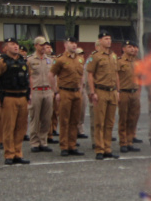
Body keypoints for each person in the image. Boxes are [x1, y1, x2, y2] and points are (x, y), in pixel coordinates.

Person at [0, 38, 31, 165]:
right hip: (8, 97)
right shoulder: (1, 62)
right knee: (9, 127)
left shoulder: (23, 61)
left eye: (16, 44)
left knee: (21, 127)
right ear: (5, 48)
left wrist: (30, 94)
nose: (15, 46)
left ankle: (18, 153)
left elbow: (29, 77)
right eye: (12, 44)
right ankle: (9, 154)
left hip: (22, 96)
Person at [85, 30, 120, 160]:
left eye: (109, 39)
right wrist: (92, 92)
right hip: (100, 91)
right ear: (100, 41)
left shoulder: (114, 56)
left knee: (110, 122)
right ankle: (99, 149)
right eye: (106, 39)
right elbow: (90, 75)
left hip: (112, 91)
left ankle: (107, 148)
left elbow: (116, 74)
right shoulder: (95, 56)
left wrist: (118, 90)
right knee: (99, 122)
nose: (108, 41)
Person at [50, 37, 85, 156]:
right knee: (64, 120)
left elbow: (81, 76)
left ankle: (72, 145)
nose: (74, 45)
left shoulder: (80, 59)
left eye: (75, 43)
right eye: (71, 43)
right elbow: (51, 75)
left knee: (75, 120)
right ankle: (64, 146)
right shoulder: (60, 59)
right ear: (65, 44)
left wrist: (80, 88)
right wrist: (56, 91)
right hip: (65, 91)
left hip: (76, 92)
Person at [27, 36, 57, 154]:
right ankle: (34, 142)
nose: (44, 47)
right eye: (41, 45)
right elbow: (27, 77)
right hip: (36, 91)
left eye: (45, 45)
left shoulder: (49, 60)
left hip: (48, 90)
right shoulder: (30, 60)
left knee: (46, 118)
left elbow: (53, 76)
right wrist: (29, 92)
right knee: (35, 117)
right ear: (35, 46)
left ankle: (43, 141)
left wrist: (54, 91)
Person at [116, 40, 141, 153]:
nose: (132, 49)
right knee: (123, 119)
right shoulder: (119, 62)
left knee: (133, 118)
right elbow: (116, 77)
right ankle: (123, 142)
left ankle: (130, 141)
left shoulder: (137, 62)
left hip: (134, 92)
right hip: (124, 92)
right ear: (123, 49)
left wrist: (138, 92)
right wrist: (118, 92)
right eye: (129, 47)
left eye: (134, 47)